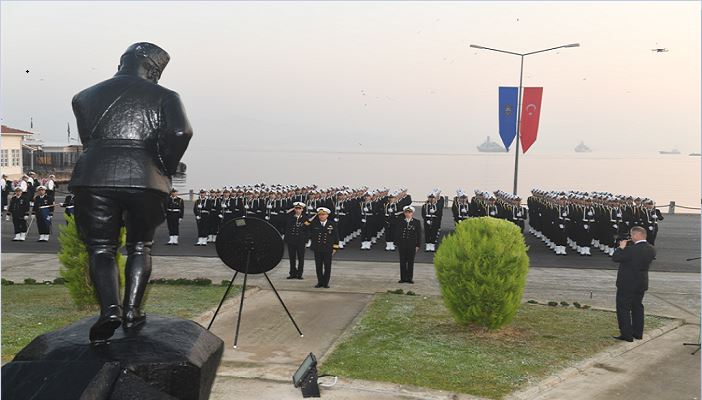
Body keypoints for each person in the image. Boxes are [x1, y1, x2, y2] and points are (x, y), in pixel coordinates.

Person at [69, 42, 192, 343]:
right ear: (152, 69)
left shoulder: (83, 97)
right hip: (144, 178)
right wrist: (165, 166)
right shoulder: (165, 96)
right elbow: (180, 132)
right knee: (139, 246)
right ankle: (132, 311)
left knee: (100, 248)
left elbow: (89, 140)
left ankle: (109, 309)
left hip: (93, 176)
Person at [611, 226, 656, 342]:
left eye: (631, 235)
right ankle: (637, 333)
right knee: (637, 307)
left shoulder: (631, 250)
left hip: (627, 283)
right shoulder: (651, 249)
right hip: (641, 282)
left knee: (623, 308)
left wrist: (621, 248)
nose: (630, 237)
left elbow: (615, 258)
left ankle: (626, 334)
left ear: (636, 235)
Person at [306, 207, 339, 288]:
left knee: (327, 266)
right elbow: (305, 226)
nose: (321, 216)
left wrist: (335, 248)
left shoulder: (332, 224)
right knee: (318, 266)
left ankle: (326, 283)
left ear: (327, 215)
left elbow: (336, 237)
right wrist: (312, 218)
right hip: (317, 248)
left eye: (323, 215)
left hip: (328, 248)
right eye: (320, 215)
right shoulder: (314, 223)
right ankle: (320, 282)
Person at [396, 206, 422, 284]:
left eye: (409, 212)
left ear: (412, 213)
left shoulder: (416, 222)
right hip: (403, 244)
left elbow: (419, 234)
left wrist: (418, 245)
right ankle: (403, 278)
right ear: (404, 213)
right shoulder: (401, 221)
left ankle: (409, 278)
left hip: (412, 244)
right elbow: (398, 233)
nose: (408, 214)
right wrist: (398, 243)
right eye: (406, 212)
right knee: (403, 261)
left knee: (411, 261)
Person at [284, 202, 309, 279]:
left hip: (300, 241)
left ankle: (300, 274)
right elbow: (286, 226)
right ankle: (292, 273)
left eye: (299, 209)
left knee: (301, 258)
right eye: (296, 208)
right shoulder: (290, 217)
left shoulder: (305, 219)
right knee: (292, 258)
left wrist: (306, 241)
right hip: (291, 241)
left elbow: (307, 231)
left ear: (302, 209)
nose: (298, 210)